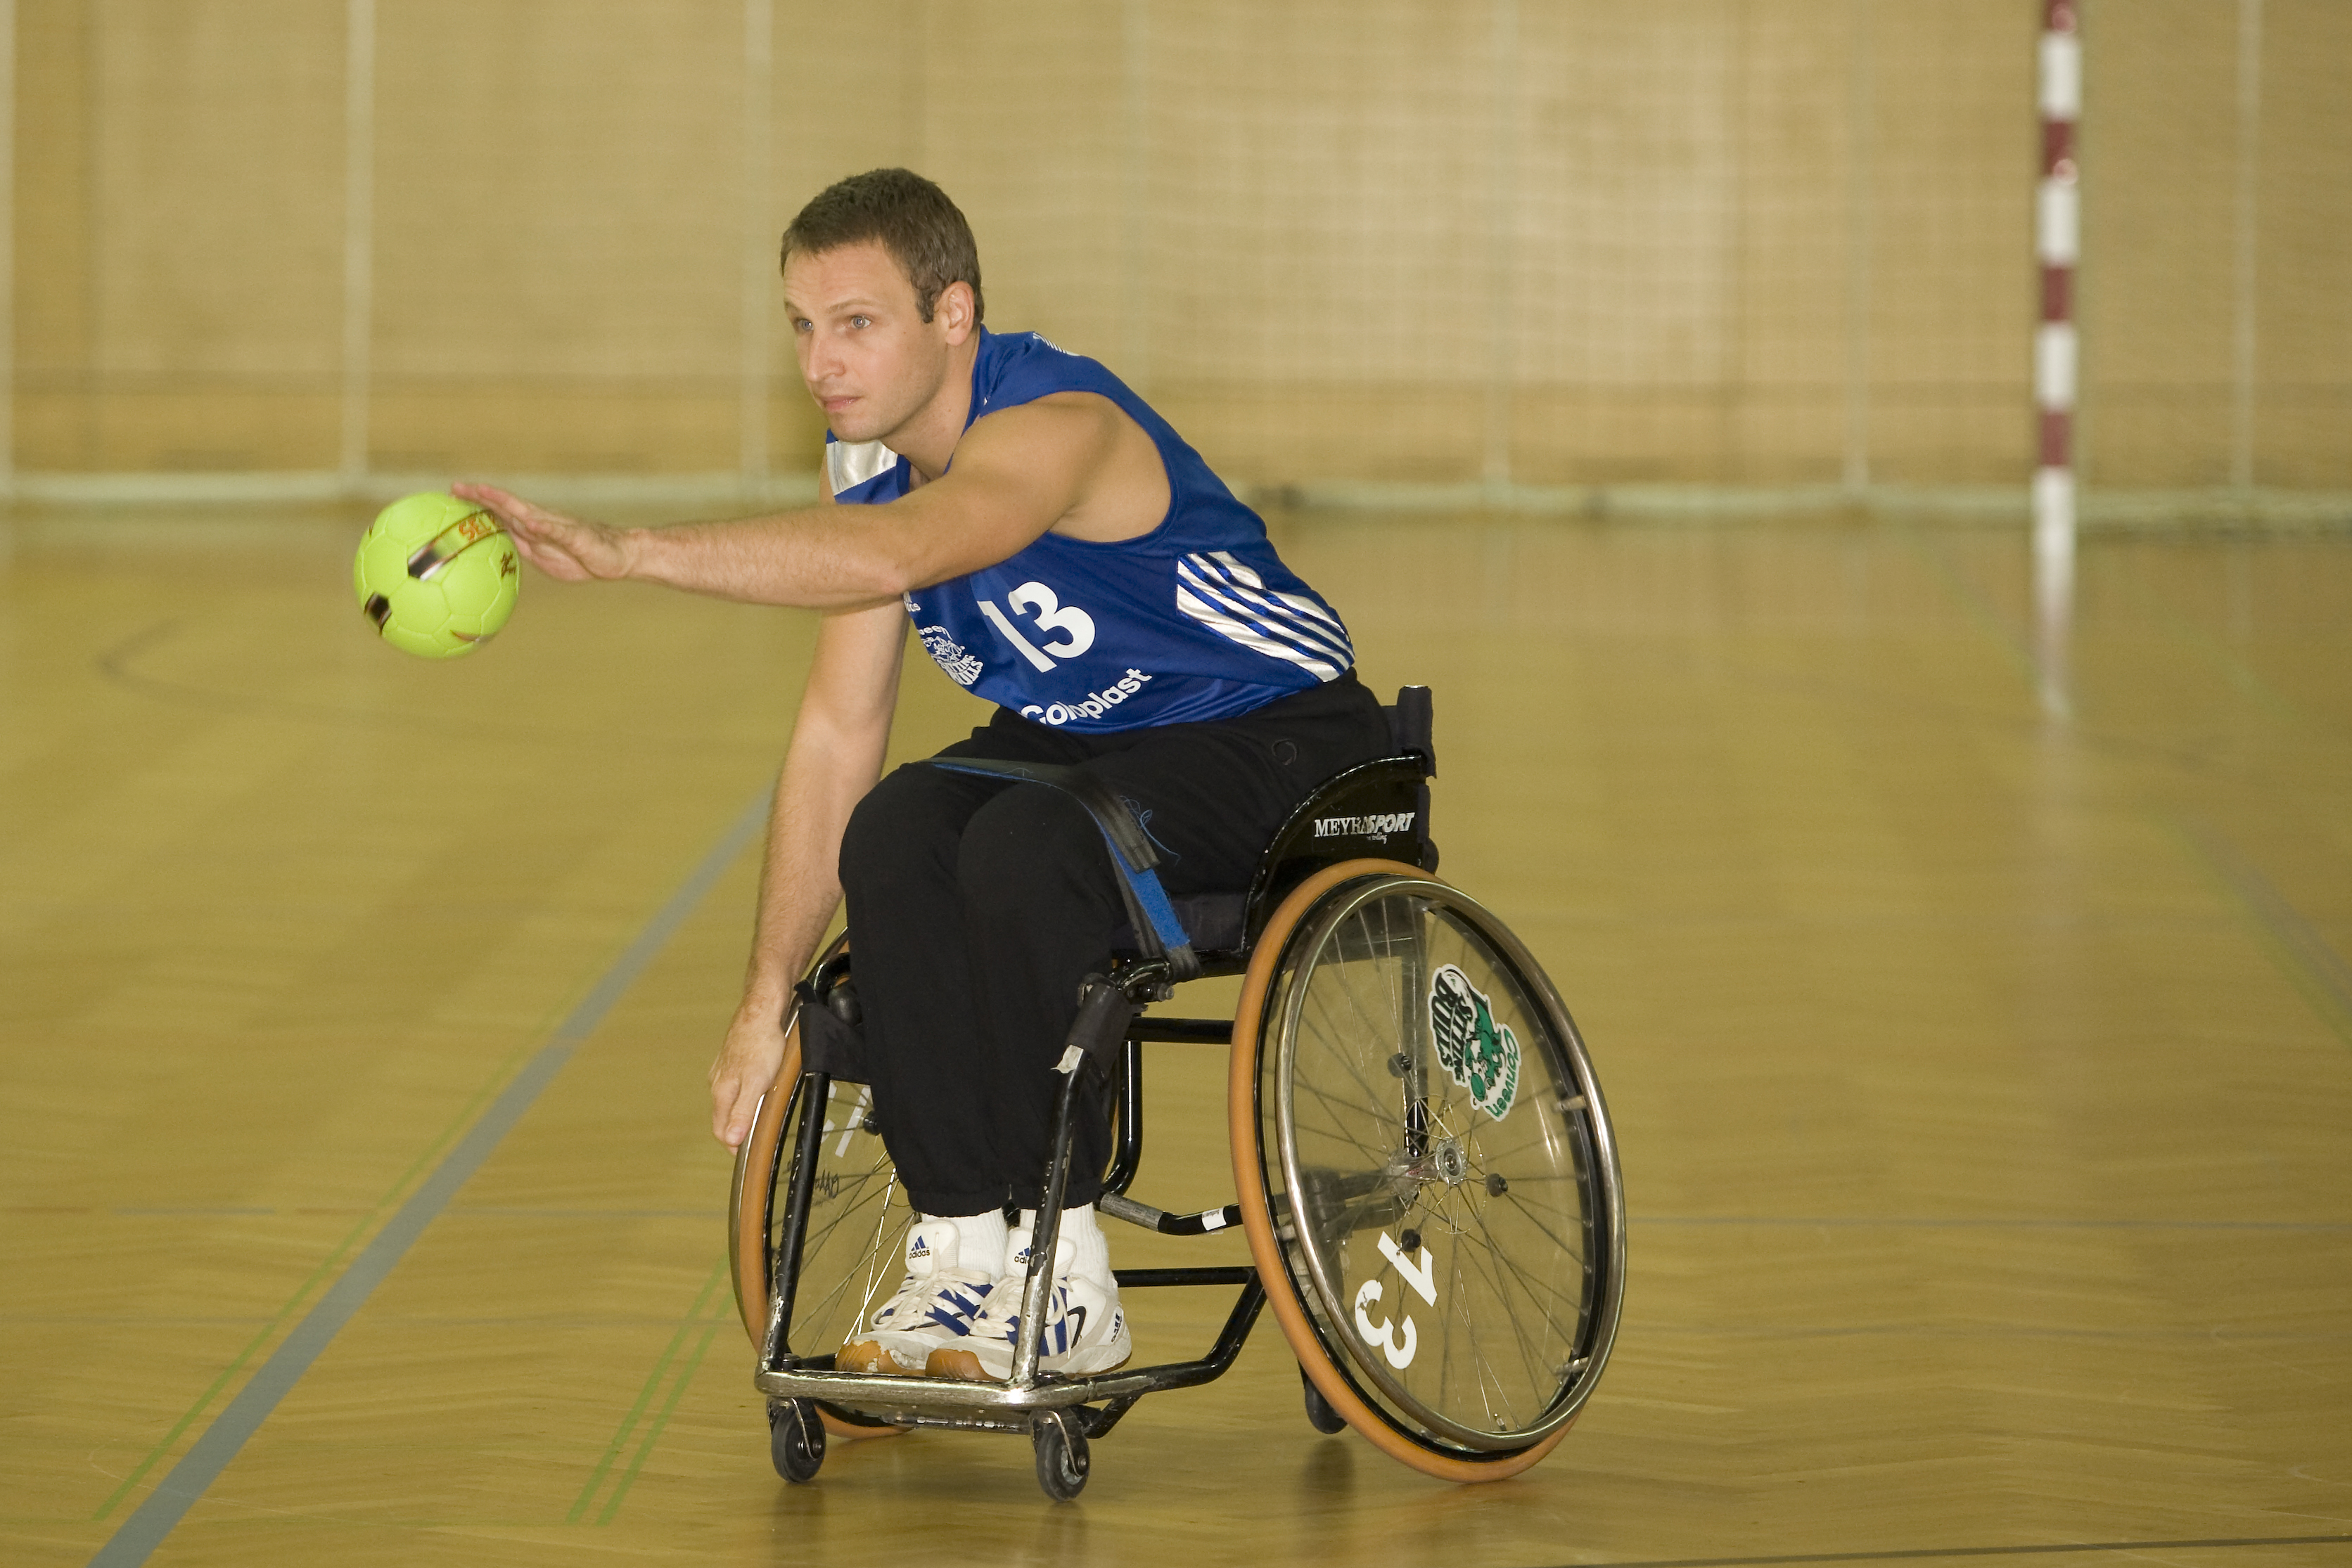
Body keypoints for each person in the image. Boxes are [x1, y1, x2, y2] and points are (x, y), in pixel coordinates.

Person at [457, 167, 1388, 1382]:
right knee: (896, 828)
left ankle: (1067, 1278)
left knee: (1023, 850)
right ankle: (958, 1254)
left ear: (953, 316)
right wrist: (763, 995)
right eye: (801, 325)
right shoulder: (870, 467)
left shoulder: (1057, 423)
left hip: (1278, 729)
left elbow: (910, 547)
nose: (820, 362)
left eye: (856, 323)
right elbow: (840, 734)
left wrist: (635, 551)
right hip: (1096, 742)